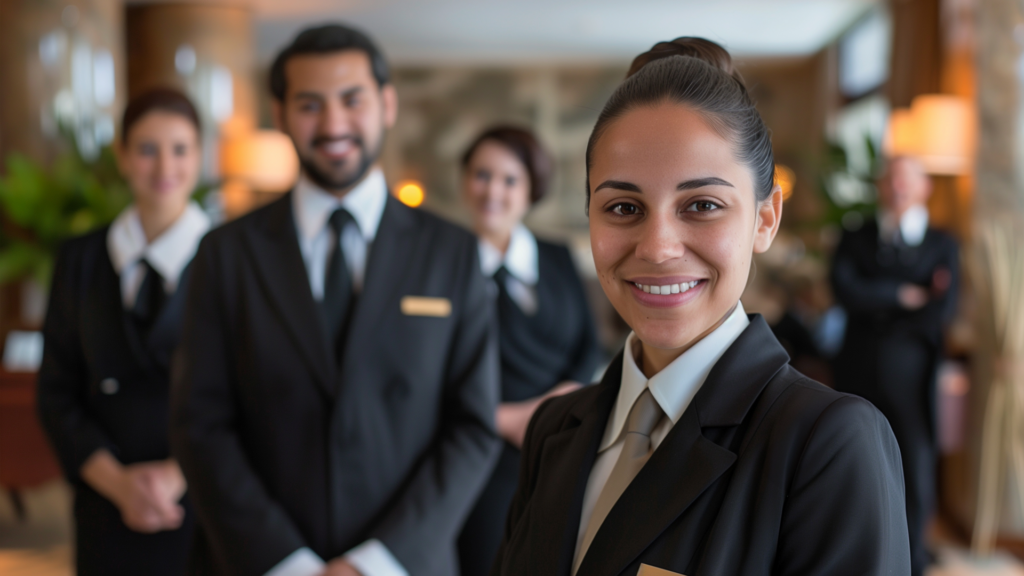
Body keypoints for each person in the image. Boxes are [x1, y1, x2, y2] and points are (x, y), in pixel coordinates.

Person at [491, 38, 910, 576]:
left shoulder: (826, 442)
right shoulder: (554, 429)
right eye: (623, 207)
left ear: (764, 219)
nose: (658, 247)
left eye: (702, 205)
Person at [170, 24, 501, 576]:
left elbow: (472, 426)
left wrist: (377, 561)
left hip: (406, 563)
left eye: (352, 100)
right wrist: (287, 562)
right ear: (279, 114)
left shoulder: (453, 253)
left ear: (387, 104)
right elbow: (199, 423)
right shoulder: (225, 253)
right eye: (309, 105)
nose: (333, 125)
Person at [37, 87, 210, 576]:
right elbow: (56, 391)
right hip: (105, 506)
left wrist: (175, 479)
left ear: (199, 155)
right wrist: (119, 484)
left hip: (205, 500)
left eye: (180, 149)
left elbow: (256, 393)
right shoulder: (80, 260)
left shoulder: (233, 261)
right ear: (123, 156)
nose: (164, 167)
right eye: (147, 149)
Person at [455, 126, 602, 576]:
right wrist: (505, 418)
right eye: (482, 175)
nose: (493, 191)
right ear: (465, 182)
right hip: (483, 450)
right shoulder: (443, 264)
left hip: (565, 441)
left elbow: (589, 343)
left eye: (509, 179)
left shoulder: (557, 257)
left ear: (531, 188)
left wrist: (559, 401)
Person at [831, 155, 959, 576]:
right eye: (890, 180)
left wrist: (877, 300)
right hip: (858, 368)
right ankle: (854, 550)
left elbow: (942, 309)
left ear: (925, 188)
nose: (897, 188)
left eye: (907, 181)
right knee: (853, 457)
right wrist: (904, 296)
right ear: (880, 187)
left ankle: (913, 558)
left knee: (916, 462)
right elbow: (844, 290)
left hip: (914, 372)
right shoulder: (856, 236)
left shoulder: (943, 244)